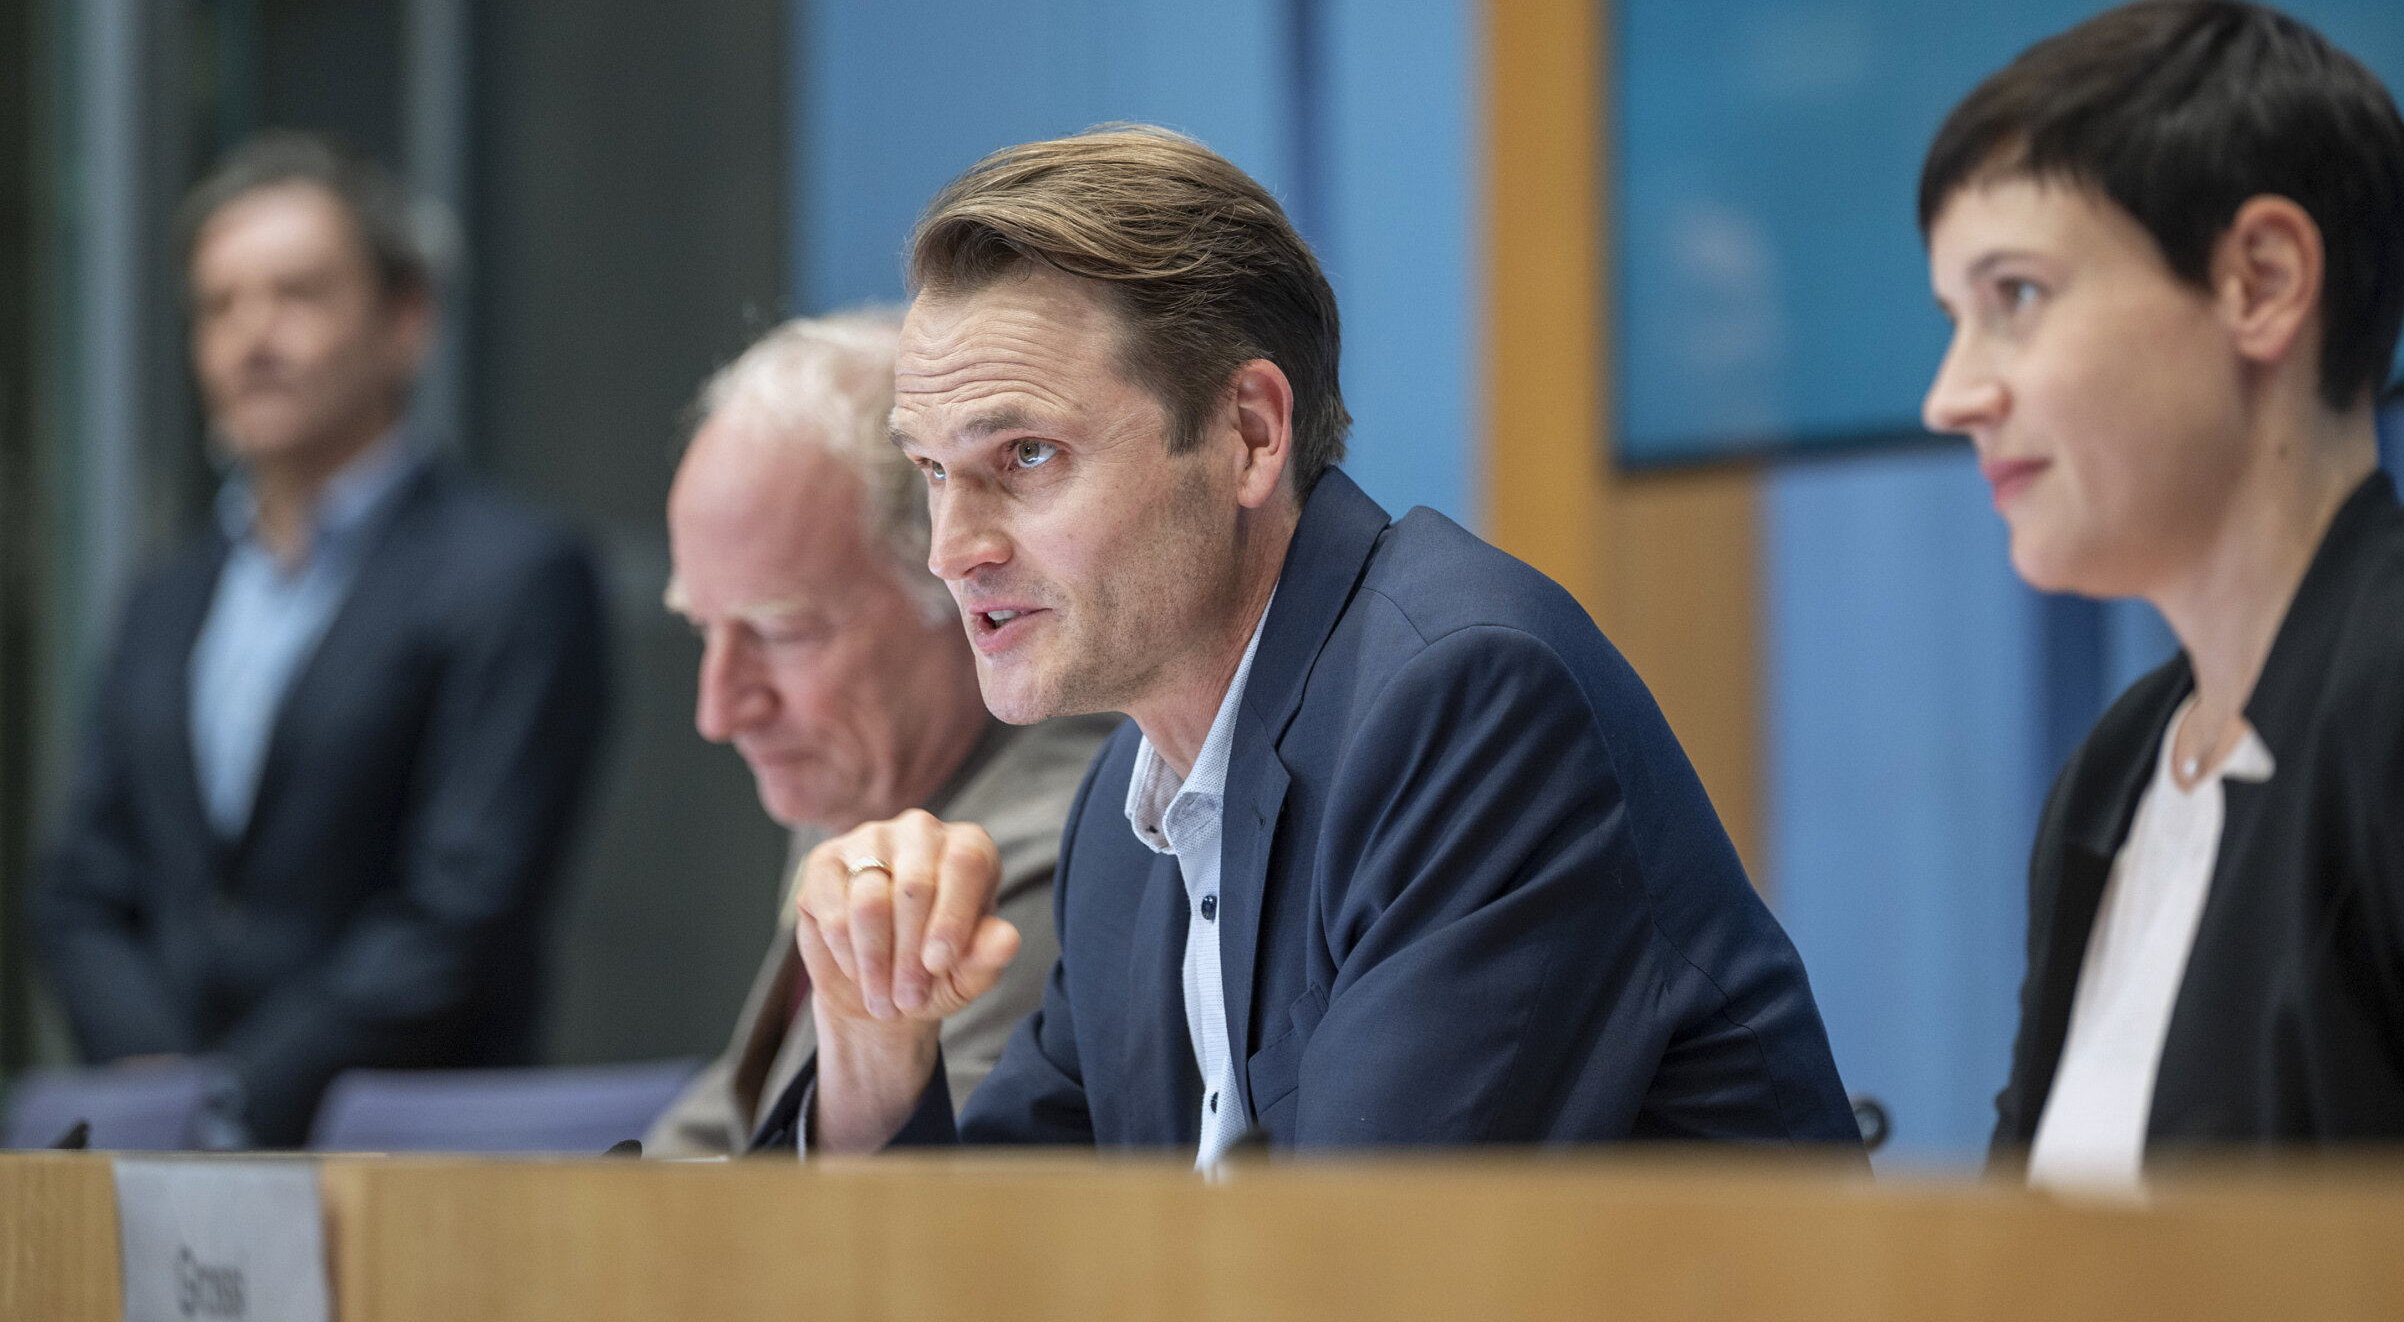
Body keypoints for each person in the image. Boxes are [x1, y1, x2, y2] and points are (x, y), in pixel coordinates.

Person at [757, 125, 1858, 1159]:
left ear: (1249, 434)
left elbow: (1364, 1274)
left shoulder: (1463, 705)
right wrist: (872, 1042)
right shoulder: (1123, 815)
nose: (954, 550)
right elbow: (989, 1272)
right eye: (933, 472)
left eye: (1028, 457)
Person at [1918, 0, 2404, 1189]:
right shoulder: (2115, 766)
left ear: (2259, 282)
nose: (1951, 395)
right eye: (1953, 318)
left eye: (2014, 298)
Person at [29, 132, 612, 1146]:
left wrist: (235, 1097)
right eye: (219, 305)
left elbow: (465, 908)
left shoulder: (513, 575)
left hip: (404, 1158)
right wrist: (160, 1083)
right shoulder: (164, 597)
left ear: (406, 320)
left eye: (298, 293)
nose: (253, 336)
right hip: (160, 1169)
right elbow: (82, 885)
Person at [644, 310, 1113, 1156]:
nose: (720, 711)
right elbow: (738, 1121)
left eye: (780, 634)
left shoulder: (1049, 845)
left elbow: (896, 1231)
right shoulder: (865, 785)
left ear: (960, 593)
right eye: (701, 631)